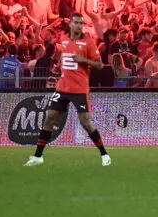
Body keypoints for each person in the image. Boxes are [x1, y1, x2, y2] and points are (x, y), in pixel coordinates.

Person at [25, 13, 111, 167]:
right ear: (71, 24)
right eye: (76, 23)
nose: (79, 26)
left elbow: (100, 65)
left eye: (81, 23)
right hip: (63, 87)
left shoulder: (88, 42)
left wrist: (83, 60)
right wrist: (58, 66)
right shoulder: (63, 39)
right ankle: (38, 156)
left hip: (79, 89)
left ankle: (104, 154)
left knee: (86, 122)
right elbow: (63, 54)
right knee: (50, 117)